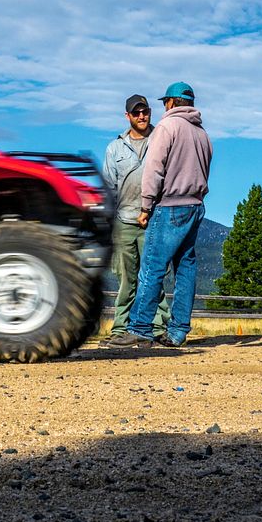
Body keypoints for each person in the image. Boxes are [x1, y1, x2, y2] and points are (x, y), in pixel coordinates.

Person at [114, 82, 213, 348]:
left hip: (169, 205)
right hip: (196, 206)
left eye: (164, 103)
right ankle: (178, 331)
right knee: (186, 268)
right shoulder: (202, 134)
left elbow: (154, 169)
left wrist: (146, 207)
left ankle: (140, 329)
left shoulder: (167, 128)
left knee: (152, 268)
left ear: (171, 102)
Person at [101, 94, 170, 346]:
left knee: (154, 276)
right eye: (136, 112)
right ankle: (121, 329)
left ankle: (158, 328)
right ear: (127, 116)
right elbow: (109, 187)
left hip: (155, 220)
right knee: (125, 279)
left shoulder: (161, 140)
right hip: (123, 220)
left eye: (145, 111)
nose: (142, 116)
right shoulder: (115, 148)